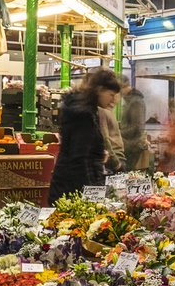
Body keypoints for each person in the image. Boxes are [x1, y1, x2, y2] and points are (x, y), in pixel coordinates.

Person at [49, 67, 122, 203]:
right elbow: (80, 159)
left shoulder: (84, 109)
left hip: (69, 186)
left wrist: (98, 154)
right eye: (111, 95)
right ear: (100, 90)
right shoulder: (82, 113)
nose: (113, 100)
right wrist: (93, 194)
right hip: (72, 191)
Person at [98, 91, 126, 173]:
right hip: (113, 160)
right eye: (112, 94)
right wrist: (117, 164)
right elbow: (105, 139)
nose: (115, 97)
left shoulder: (109, 111)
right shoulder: (103, 111)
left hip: (117, 157)